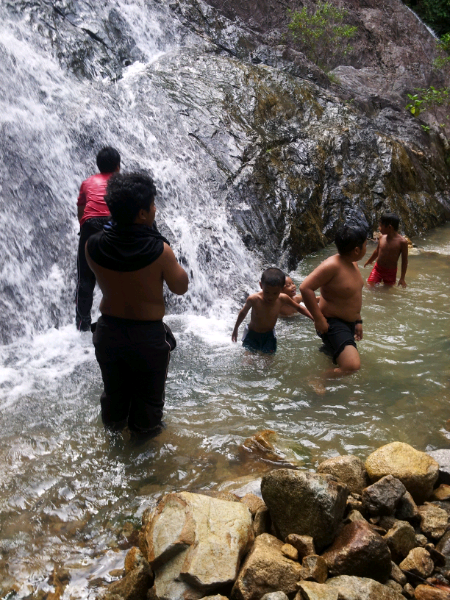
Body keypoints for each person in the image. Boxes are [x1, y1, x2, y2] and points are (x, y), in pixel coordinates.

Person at [85, 172, 189, 435]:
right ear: (142, 214)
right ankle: (144, 470)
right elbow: (181, 286)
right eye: (152, 204)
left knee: (114, 399)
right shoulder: (160, 251)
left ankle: (113, 453)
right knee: (148, 408)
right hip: (147, 338)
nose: (155, 208)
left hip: (108, 333)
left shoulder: (92, 245)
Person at [300, 224, 367, 375]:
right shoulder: (332, 266)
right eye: (365, 245)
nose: (366, 248)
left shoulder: (352, 263)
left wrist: (358, 321)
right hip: (333, 323)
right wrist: (318, 319)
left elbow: (353, 296)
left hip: (348, 322)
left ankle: (328, 354)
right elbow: (305, 288)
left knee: (335, 356)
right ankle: (318, 378)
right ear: (356, 250)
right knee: (352, 366)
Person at [76, 146, 121, 331]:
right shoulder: (121, 182)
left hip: (90, 225)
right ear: (118, 166)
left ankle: (82, 325)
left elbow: (81, 209)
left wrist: (83, 228)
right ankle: (119, 320)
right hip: (114, 225)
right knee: (119, 273)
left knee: (85, 278)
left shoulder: (87, 183)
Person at [231, 268, 313, 354]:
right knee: (247, 362)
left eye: (275, 293)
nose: (270, 297)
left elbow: (299, 308)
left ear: (281, 289)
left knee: (268, 363)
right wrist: (235, 329)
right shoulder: (254, 299)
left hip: (269, 336)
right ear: (261, 285)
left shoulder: (282, 298)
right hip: (252, 335)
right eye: (267, 292)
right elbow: (243, 313)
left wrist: (313, 318)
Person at [364, 212, 408, 288]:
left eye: (381, 225)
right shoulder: (382, 237)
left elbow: (404, 261)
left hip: (391, 272)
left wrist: (402, 278)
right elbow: (377, 251)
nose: (379, 228)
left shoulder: (402, 242)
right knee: (369, 286)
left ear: (390, 227)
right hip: (378, 269)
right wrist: (370, 260)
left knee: (387, 290)